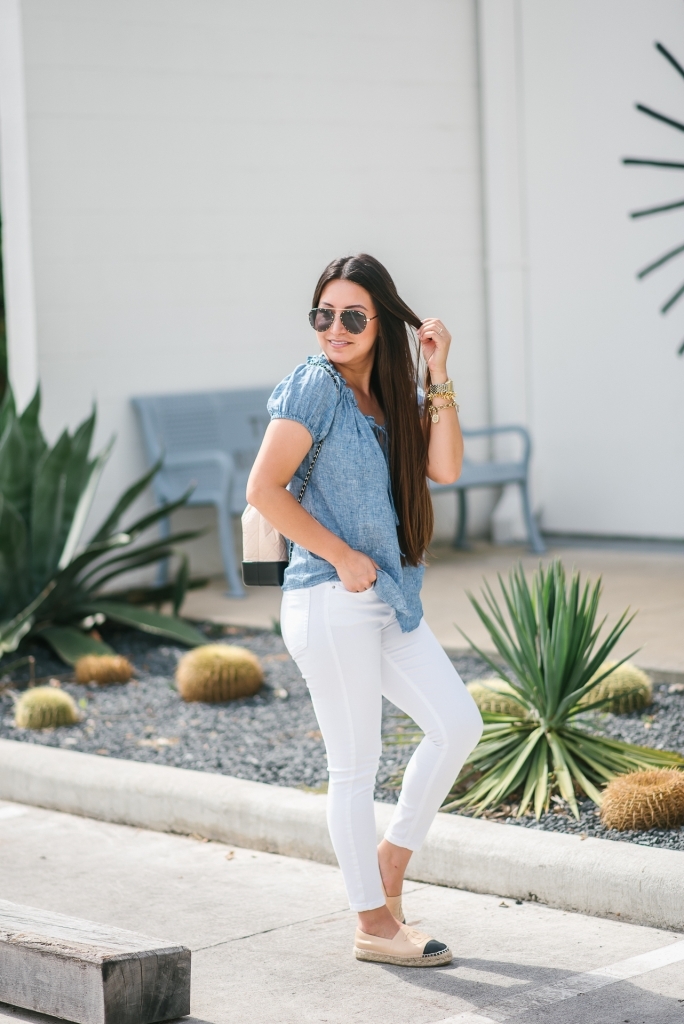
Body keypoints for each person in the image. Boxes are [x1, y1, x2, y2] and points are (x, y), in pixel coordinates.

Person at [246, 254, 483, 968]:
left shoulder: (386, 394)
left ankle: (388, 866)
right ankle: (374, 924)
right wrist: (342, 554)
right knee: (355, 766)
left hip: (387, 601)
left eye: (353, 316)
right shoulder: (313, 387)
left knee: (457, 725)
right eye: (324, 314)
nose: (336, 328)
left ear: (382, 322)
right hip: (329, 596)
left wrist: (437, 373)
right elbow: (265, 488)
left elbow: (444, 469)